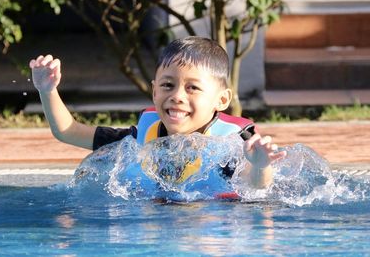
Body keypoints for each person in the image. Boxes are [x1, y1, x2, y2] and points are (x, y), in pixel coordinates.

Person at [29, 36, 286, 191]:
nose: (177, 96)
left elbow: (255, 187)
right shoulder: (143, 135)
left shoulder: (228, 146)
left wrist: (260, 166)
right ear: (154, 92)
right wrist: (47, 90)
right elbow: (68, 132)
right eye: (167, 85)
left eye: (192, 87)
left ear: (221, 100)